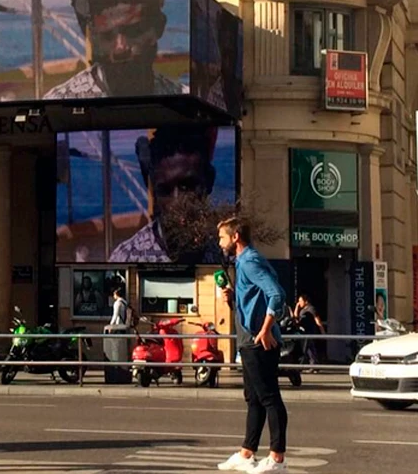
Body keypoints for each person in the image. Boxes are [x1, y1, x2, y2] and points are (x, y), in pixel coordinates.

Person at [216, 217, 289, 474]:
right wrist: (232, 298)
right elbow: (252, 301)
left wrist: (266, 329)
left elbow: (276, 293)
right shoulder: (244, 262)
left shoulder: (249, 261)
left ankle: (277, 458)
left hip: (258, 342)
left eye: (222, 237)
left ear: (236, 237)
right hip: (248, 340)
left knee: (269, 398)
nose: (220, 242)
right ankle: (247, 453)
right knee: (254, 399)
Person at [43, 0, 187, 100]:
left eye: (132, 31)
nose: (120, 48)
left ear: (157, 28)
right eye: (107, 36)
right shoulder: (60, 103)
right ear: (93, 39)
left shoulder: (183, 102)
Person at [110, 126, 220, 264]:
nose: (176, 203)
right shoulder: (127, 259)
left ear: (209, 181)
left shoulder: (230, 252)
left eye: (187, 187)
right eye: (165, 191)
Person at [293, 293, 325, 367]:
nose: (299, 303)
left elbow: (317, 320)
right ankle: (311, 364)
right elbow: (296, 318)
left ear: (306, 301)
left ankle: (314, 365)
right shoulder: (302, 310)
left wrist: (322, 331)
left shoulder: (311, 309)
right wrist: (297, 307)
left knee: (310, 348)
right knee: (307, 349)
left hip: (310, 331)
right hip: (303, 331)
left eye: (300, 301)